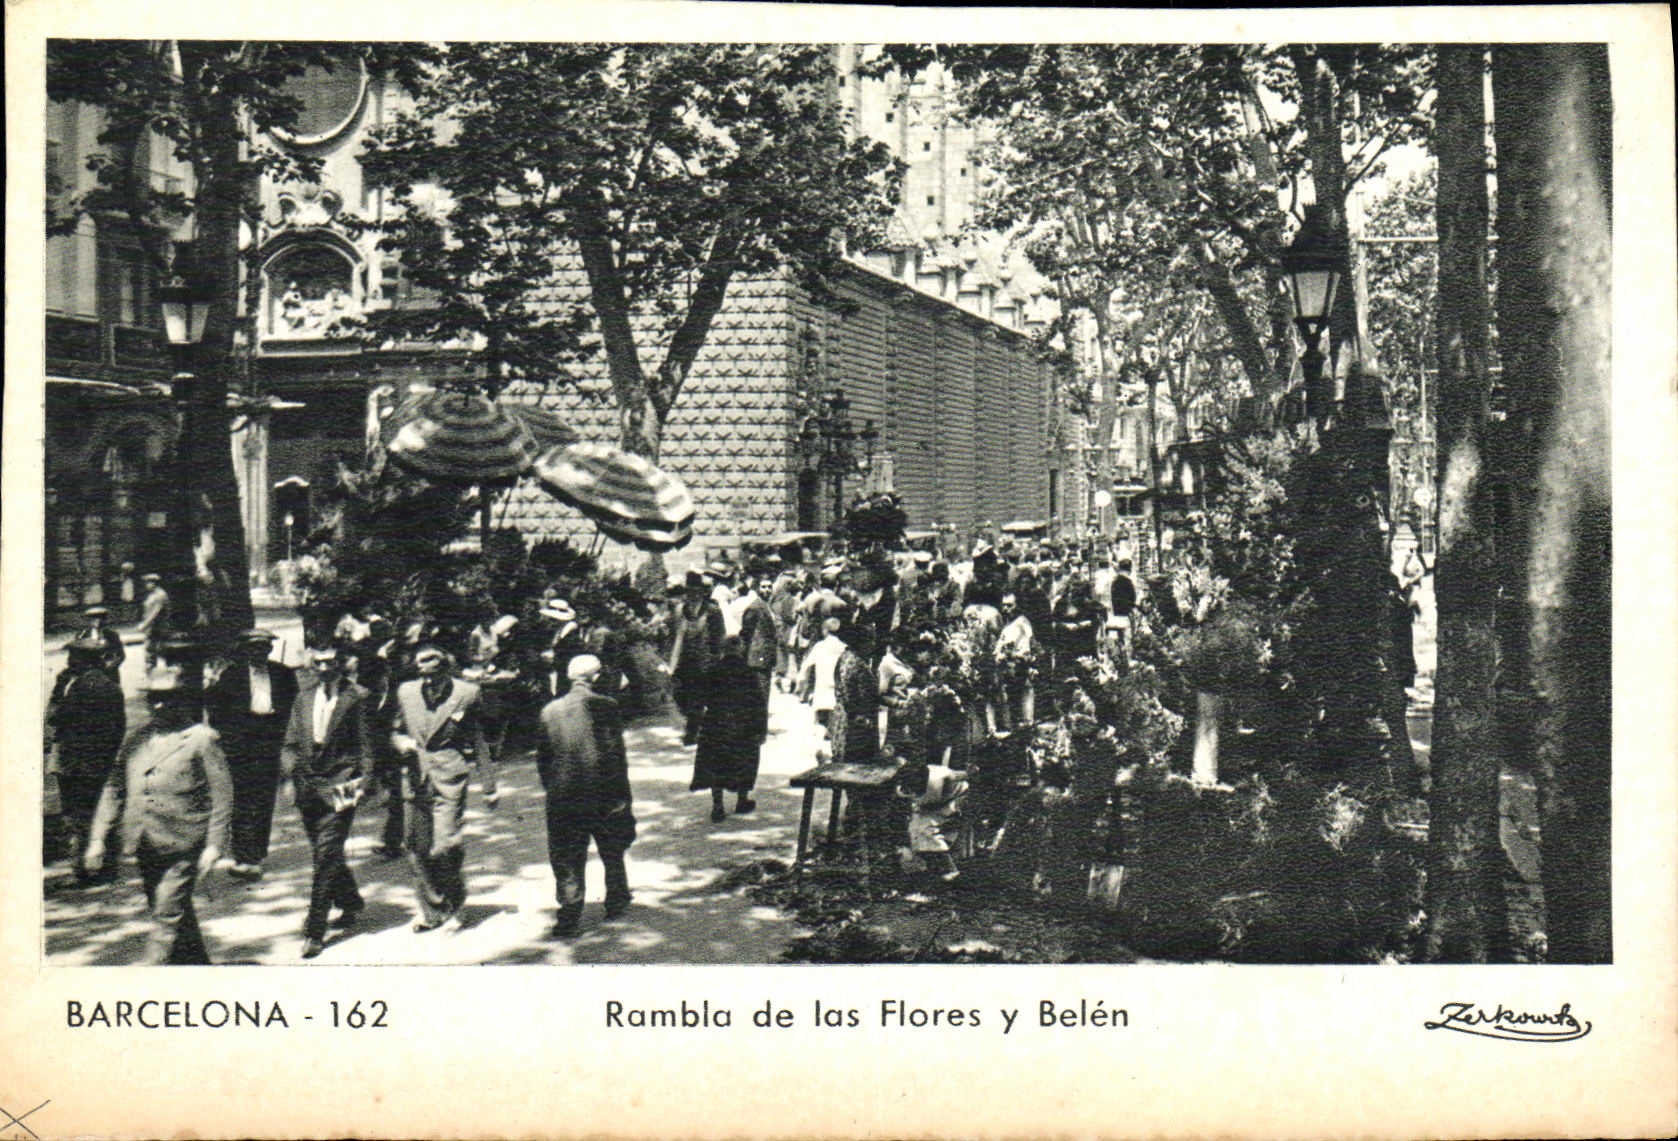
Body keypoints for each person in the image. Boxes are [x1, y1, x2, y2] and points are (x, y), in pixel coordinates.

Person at [113, 664, 234, 964]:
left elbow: (222, 796)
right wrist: (98, 839)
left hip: (185, 842)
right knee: (167, 907)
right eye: (152, 697)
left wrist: (214, 845)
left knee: (166, 915)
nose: (158, 704)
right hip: (147, 840)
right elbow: (114, 787)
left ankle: (153, 977)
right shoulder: (137, 739)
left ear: (183, 701)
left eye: (167, 698)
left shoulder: (201, 739)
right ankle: (198, 965)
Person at [391, 643, 496, 933]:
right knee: (417, 847)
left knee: (445, 845)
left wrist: (489, 785)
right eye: (421, 674)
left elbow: (477, 739)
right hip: (414, 776)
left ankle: (456, 899)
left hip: (449, 775)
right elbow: (393, 728)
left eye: (433, 675)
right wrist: (398, 741)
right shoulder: (405, 692)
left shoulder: (467, 693)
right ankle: (433, 910)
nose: (427, 682)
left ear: (447, 669)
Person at [281, 645, 375, 959]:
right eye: (317, 663)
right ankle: (350, 901)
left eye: (329, 662)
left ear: (341, 664)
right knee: (325, 852)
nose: (323, 668)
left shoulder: (358, 696)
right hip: (308, 783)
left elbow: (366, 744)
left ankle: (315, 930)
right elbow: (291, 743)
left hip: (342, 782)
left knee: (325, 855)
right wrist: (287, 779)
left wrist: (365, 781)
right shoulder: (302, 697)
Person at [536, 654, 636, 937]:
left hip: (564, 794)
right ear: (596, 677)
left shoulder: (549, 711)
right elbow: (617, 756)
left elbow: (543, 759)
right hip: (603, 792)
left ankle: (569, 913)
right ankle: (616, 897)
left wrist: (555, 788)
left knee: (567, 854)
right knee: (611, 846)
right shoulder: (607, 706)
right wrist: (623, 797)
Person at [204, 629, 299, 879]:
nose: (259, 653)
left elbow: (293, 707)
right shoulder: (231, 676)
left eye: (263, 648)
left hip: (270, 742)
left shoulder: (283, 674)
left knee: (264, 800)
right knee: (242, 799)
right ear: (246, 651)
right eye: (253, 648)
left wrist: (285, 738)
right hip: (241, 745)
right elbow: (215, 711)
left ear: (269, 650)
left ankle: (255, 855)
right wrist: (230, 738)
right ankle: (242, 856)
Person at [46, 635, 127, 881]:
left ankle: (79, 869)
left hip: (73, 761)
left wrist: (60, 691)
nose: (69, 661)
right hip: (100, 759)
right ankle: (109, 866)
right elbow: (119, 726)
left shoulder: (76, 685)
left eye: (73, 656)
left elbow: (54, 717)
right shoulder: (111, 686)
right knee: (104, 811)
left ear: (83, 660)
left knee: (75, 815)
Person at [690, 565, 762, 823]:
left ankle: (717, 805)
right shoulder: (747, 672)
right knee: (745, 758)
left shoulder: (714, 670)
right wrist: (760, 726)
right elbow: (757, 701)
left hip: (717, 722)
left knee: (715, 762)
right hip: (741, 722)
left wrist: (697, 721)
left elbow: (702, 697)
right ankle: (741, 800)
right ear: (740, 649)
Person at [893, 760, 972, 882]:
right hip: (930, 805)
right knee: (917, 829)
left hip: (954, 800)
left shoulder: (941, 776)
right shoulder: (907, 785)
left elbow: (970, 776)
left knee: (927, 830)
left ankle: (950, 870)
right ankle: (930, 868)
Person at [136, 572, 172, 670]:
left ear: (153, 583)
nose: (145, 585)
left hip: (158, 625)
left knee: (155, 646)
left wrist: (144, 624)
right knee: (153, 645)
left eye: (147, 583)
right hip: (154, 625)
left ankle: (155, 665)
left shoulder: (159, 595)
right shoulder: (153, 594)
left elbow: (154, 613)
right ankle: (152, 665)